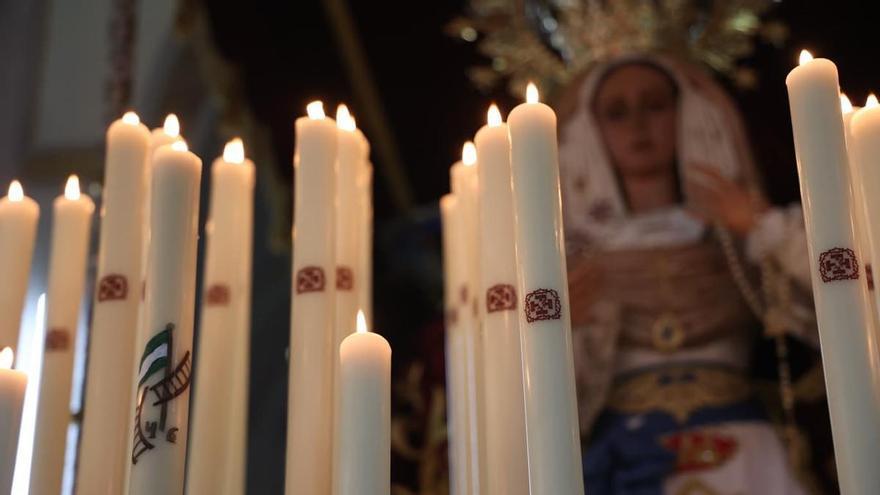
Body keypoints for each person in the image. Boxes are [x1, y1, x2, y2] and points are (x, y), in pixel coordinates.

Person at [559, 54, 820, 494]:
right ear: (591, 130)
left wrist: (763, 228)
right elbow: (546, 400)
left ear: (686, 113)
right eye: (617, 112)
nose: (638, 124)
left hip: (742, 445)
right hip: (628, 455)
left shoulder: (736, 242)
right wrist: (561, 326)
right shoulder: (576, 262)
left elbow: (843, 302)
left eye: (655, 105)